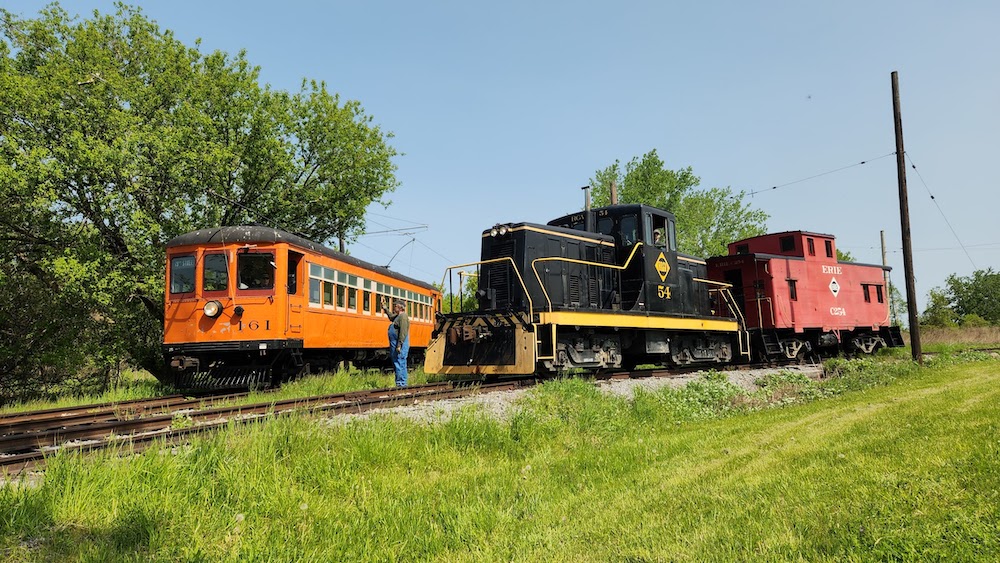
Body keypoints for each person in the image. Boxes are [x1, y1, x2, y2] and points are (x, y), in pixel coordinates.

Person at [382, 298, 410, 387]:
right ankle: (399, 383)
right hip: (395, 344)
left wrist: (399, 344)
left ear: (400, 307)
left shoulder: (403, 317)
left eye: (395, 306)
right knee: (397, 362)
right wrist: (385, 308)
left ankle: (402, 384)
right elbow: (391, 316)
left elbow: (403, 332)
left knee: (400, 362)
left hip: (400, 344)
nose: (394, 307)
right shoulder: (397, 316)